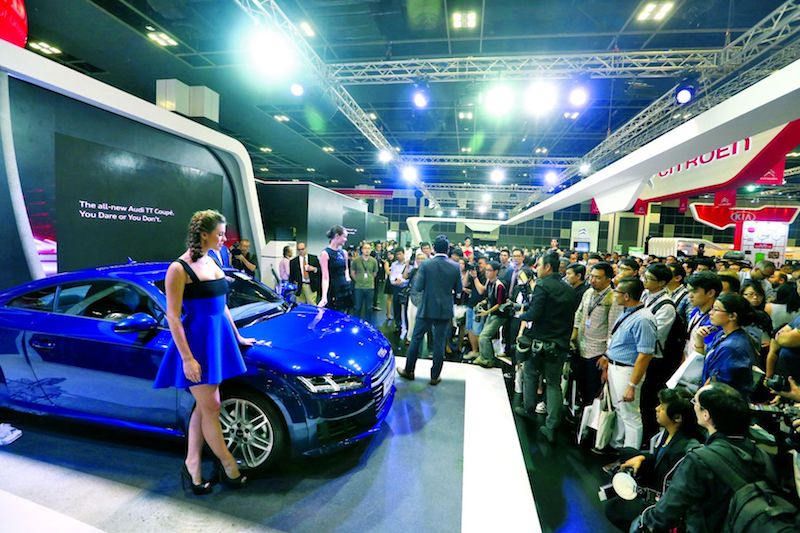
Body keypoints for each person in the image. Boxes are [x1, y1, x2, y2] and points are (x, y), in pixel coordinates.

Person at [153, 210, 255, 493]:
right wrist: (187, 358)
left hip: (217, 338)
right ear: (203, 234)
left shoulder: (214, 259)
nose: (224, 239)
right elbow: (173, 316)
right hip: (197, 343)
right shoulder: (178, 268)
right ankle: (229, 465)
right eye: (220, 234)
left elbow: (221, 304)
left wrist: (237, 336)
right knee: (212, 407)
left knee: (204, 406)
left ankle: (192, 465)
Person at [632, 383, 777, 533]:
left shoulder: (699, 460)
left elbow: (666, 512)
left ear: (706, 415)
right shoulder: (762, 455)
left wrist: (642, 522)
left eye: (695, 402)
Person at [604, 388, 701, 531]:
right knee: (627, 453)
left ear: (677, 418)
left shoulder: (682, 450)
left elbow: (671, 494)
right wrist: (642, 457)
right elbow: (658, 458)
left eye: (662, 407)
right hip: (656, 482)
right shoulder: (668, 433)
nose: (657, 409)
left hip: (661, 501)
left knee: (613, 509)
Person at [515, 252, 578, 443]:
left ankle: (529, 409)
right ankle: (551, 425)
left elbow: (534, 313)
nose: (537, 268)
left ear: (548, 267)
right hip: (560, 344)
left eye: (540, 265)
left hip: (539, 342)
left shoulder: (542, 285)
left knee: (530, 374)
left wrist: (520, 314)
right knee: (553, 384)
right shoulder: (570, 289)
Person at [599, 277, 657, 451]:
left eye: (617, 292)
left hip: (628, 371)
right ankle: (618, 445)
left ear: (626, 296)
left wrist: (632, 384)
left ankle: (630, 456)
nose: (614, 294)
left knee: (630, 415)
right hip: (616, 366)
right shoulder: (627, 311)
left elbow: (645, 355)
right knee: (619, 410)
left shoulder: (643, 319)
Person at [397, 235, 462, 385]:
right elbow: (458, 289)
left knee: (416, 339)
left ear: (433, 247)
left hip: (426, 308)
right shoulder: (455, 266)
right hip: (444, 310)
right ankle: (434, 376)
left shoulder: (426, 265)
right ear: (447, 249)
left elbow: (418, 287)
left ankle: (409, 370)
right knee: (439, 343)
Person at [572, 262, 620, 406]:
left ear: (608, 279)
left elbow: (613, 329)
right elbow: (579, 313)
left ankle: (591, 424)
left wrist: (607, 354)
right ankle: (581, 415)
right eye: (591, 276)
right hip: (581, 346)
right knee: (581, 385)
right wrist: (574, 334)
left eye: (597, 278)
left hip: (597, 351)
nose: (593, 280)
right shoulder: (588, 293)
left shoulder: (613, 298)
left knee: (593, 390)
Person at [693, 293, 757, 397]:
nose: (710, 313)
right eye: (712, 308)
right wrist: (699, 340)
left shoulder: (731, 348)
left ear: (732, 316)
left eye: (716, 310)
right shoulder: (722, 334)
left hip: (721, 400)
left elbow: (718, 384)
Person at [473, 260, 507, 369]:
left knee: (484, 336)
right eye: (486, 270)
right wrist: (483, 302)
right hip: (491, 313)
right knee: (483, 335)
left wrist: (487, 312)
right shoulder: (489, 282)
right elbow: (489, 297)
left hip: (499, 315)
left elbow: (500, 303)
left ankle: (488, 359)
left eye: (489, 270)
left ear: (496, 271)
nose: (487, 272)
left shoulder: (499, 285)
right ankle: (483, 357)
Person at [318, 225, 352, 312]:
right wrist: (324, 296)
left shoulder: (343, 252)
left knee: (345, 313)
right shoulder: (325, 254)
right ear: (337, 236)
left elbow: (346, 268)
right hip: (334, 289)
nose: (346, 239)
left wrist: (347, 277)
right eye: (344, 237)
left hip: (344, 288)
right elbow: (325, 277)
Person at [350, 242, 378, 322]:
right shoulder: (356, 261)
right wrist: (358, 280)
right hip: (358, 287)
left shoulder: (374, 261)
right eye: (365, 248)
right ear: (362, 250)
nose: (367, 250)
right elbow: (352, 272)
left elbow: (374, 273)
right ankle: (356, 324)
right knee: (357, 307)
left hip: (370, 287)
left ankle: (368, 324)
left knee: (369, 308)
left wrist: (369, 279)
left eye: (369, 248)